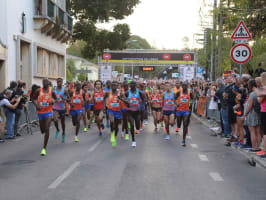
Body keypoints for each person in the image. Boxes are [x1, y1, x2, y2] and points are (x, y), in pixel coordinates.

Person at [32, 79, 57, 156]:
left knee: (47, 128)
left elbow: (55, 99)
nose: (44, 83)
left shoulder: (51, 92)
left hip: (48, 112)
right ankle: (43, 130)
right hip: (40, 112)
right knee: (42, 130)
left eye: (45, 82)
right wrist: (36, 105)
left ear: (48, 83)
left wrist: (53, 101)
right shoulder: (38, 90)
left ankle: (44, 148)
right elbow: (33, 99)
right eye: (43, 82)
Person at [241, 79, 261, 153]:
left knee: (252, 131)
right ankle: (258, 147)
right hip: (258, 113)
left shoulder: (252, 94)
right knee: (258, 132)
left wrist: (244, 114)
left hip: (251, 114)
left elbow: (250, 106)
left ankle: (254, 147)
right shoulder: (259, 92)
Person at [124, 81, 145, 147]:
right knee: (132, 125)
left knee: (137, 126)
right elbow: (124, 100)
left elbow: (144, 100)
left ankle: (138, 128)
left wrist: (140, 106)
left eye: (134, 84)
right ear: (129, 85)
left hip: (137, 112)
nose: (132, 85)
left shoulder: (139, 92)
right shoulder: (127, 92)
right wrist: (126, 103)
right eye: (131, 84)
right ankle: (133, 140)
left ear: (136, 85)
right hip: (129, 112)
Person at [106, 81, 125, 147]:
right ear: (111, 86)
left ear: (117, 86)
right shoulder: (108, 93)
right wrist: (103, 108)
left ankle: (115, 137)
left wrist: (121, 98)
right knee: (112, 121)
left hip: (118, 111)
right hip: (110, 110)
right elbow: (104, 99)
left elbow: (125, 100)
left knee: (116, 126)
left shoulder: (120, 93)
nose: (114, 87)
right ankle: (112, 133)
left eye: (115, 85)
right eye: (113, 85)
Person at [53, 78, 69, 143]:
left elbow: (69, 99)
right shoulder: (54, 90)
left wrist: (64, 99)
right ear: (56, 82)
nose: (59, 82)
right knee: (55, 119)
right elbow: (51, 97)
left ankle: (63, 133)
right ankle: (57, 129)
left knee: (63, 122)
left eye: (60, 81)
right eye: (58, 81)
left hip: (62, 108)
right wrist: (53, 99)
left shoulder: (64, 90)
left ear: (62, 82)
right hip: (55, 107)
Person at [255, 72, 266, 157]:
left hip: (264, 110)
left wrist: (256, 91)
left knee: (265, 132)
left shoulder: (264, 88)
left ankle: (264, 150)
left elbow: (259, 99)